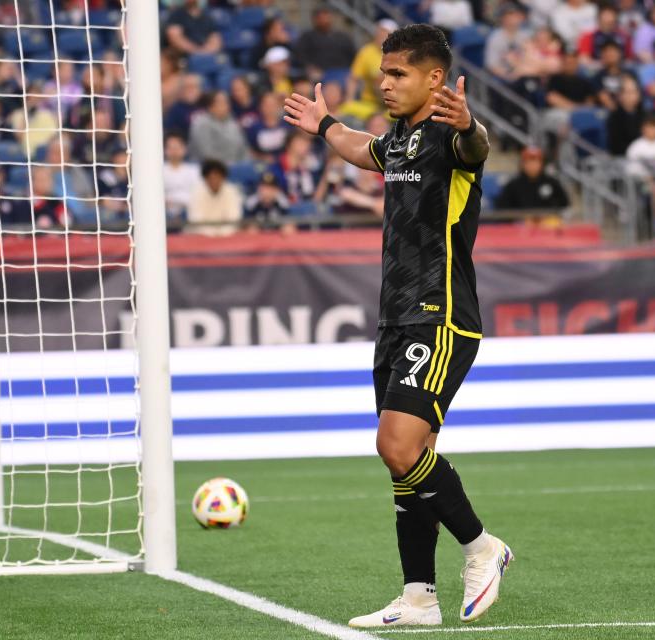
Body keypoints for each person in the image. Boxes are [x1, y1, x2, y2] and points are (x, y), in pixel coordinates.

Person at [283, 23, 512, 628]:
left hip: (440, 317)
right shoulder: (403, 138)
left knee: (397, 446)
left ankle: (483, 547)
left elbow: (477, 148)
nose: (383, 84)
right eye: (383, 73)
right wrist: (327, 126)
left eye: (397, 74)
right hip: (397, 318)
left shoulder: (447, 137)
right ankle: (418, 598)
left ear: (436, 79)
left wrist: (467, 123)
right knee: (407, 461)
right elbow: (366, 150)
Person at [495, 146, 569, 210]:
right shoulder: (512, 185)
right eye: (529, 161)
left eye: (536, 161)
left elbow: (564, 204)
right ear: (522, 164)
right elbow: (503, 209)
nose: (532, 165)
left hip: (547, 224)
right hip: (520, 224)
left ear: (542, 164)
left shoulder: (552, 183)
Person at [187, 159, 243, 236]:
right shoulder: (196, 192)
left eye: (217, 177)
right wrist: (211, 235)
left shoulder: (232, 191)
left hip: (226, 236)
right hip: (200, 236)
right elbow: (195, 219)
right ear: (205, 179)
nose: (214, 181)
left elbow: (234, 217)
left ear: (223, 178)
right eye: (211, 178)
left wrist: (222, 234)